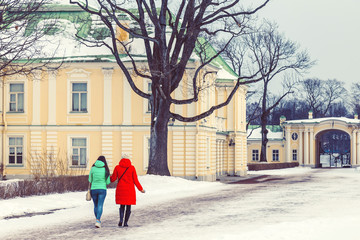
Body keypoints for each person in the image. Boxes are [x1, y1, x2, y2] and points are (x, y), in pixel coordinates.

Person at [110, 153, 145, 227]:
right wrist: (140, 189)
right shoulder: (132, 168)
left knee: (122, 205)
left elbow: (113, 179)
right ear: (129, 159)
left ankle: (121, 220)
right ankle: (125, 222)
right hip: (130, 190)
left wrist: (107, 177)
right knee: (128, 207)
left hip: (120, 189)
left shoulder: (117, 167)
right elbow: (135, 180)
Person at [88, 155, 110, 228]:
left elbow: (90, 180)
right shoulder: (105, 169)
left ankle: (98, 220)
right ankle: (98, 220)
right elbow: (108, 182)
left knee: (96, 205)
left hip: (93, 189)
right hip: (102, 189)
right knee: (100, 205)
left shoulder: (93, 168)